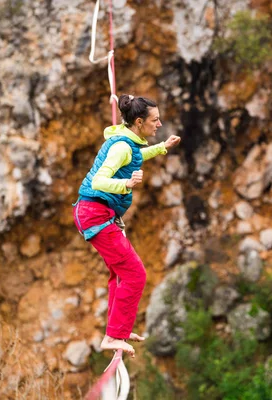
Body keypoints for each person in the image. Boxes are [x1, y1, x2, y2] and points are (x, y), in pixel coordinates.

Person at [73, 94, 181, 357]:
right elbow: (99, 181)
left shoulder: (126, 141)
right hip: (96, 214)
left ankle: (117, 329)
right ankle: (113, 336)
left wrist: (162, 146)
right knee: (135, 273)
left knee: (119, 274)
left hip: (95, 213)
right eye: (155, 120)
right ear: (140, 122)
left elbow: (136, 156)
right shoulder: (121, 147)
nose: (159, 124)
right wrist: (126, 185)